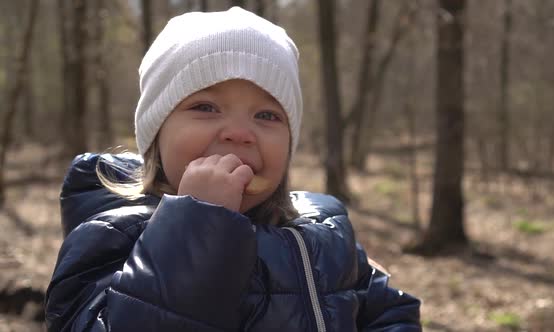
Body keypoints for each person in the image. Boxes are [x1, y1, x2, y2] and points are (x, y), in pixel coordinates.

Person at [45, 7, 421, 332]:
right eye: (206, 107)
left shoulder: (325, 230)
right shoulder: (111, 235)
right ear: (156, 135)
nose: (240, 133)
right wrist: (196, 227)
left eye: (267, 115)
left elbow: (389, 312)